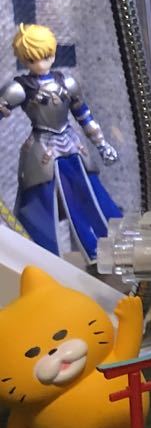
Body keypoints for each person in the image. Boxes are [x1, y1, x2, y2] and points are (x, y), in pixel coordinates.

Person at [0, 23, 122, 259]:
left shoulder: (66, 83)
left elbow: (84, 115)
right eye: (33, 59)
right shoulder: (20, 88)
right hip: (42, 151)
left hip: (72, 146)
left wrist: (102, 144)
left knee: (90, 196)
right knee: (39, 206)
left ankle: (108, 246)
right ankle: (41, 257)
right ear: (25, 60)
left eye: (46, 56)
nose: (41, 63)